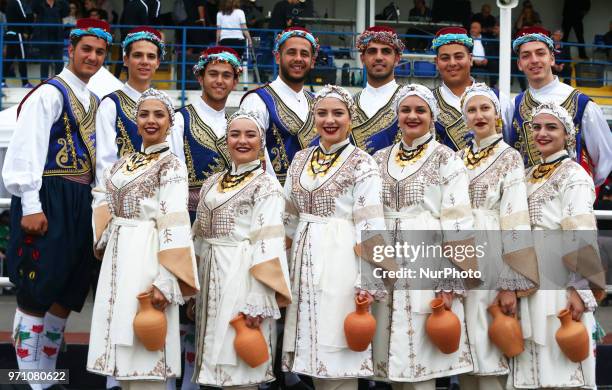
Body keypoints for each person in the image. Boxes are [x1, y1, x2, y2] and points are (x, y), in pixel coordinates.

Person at [2, 18, 111, 390]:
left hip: (81, 200)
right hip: (48, 194)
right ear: (71, 49)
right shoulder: (50, 92)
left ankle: (47, 376)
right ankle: (30, 381)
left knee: (66, 290)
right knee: (37, 290)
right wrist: (31, 204)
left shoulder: (94, 100)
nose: (92, 57)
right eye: (87, 49)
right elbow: (27, 150)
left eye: (99, 52)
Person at [87, 88, 199, 389]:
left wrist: (166, 280)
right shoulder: (123, 164)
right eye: (144, 114)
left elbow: (174, 222)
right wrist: (109, 232)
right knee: (123, 357)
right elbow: (102, 194)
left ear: (170, 122)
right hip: (120, 256)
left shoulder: (172, 165)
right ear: (135, 121)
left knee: (146, 352)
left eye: (159, 114)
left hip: (149, 257)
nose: (151, 120)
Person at [371, 84, 474, 390]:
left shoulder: (447, 159)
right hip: (386, 262)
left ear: (433, 116)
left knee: (422, 363)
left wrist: (450, 280)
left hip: (428, 261)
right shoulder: (377, 159)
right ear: (396, 115)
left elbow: (458, 220)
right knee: (391, 362)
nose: (412, 116)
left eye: (420, 110)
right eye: (406, 110)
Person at [282, 85, 386, 390]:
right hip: (304, 259)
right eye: (322, 113)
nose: (330, 120)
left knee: (337, 353)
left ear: (350, 119)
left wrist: (368, 280)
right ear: (313, 118)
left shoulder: (362, 162)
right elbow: (287, 220)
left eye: (338, 113)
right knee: (311, 352)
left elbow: (370, 223)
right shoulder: (300, 159)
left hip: (342, 261)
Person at [191, 109, 291, 387]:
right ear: (226, 140)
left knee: (239, 364)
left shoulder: (267, 185)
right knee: (212, 362)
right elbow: (199, 233)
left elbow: (269, 242)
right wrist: (193, 286)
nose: (242, 141)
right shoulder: (212, 182)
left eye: (250, 135)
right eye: (235, 134)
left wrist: (259, 299)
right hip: (212, 275)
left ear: (261, 142)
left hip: (244, 277)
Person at [511, 102, 603, 388]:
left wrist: (580, 288)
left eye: (551, 127)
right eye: (536, 127)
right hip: (530, 275)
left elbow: (581, 232)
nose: (542, 133)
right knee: (534, 359)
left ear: (567, 135)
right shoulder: (527, 175)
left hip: (560, 277)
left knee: (561, 354)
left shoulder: (573, 174)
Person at [456, 83, 538, 390]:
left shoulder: (509, 157)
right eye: (472, 110)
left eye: (485, 108)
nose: (479, 115)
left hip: (493, 250)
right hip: (461, 254)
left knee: (491, 340)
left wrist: (509, 283)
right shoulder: (457, 157)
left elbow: (515, 220)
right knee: (465, 347)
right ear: (464, 117)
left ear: (496, 114)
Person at [504, 26, 612, 186]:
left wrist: (581, 190)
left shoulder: (582, 104)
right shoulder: (513, 105)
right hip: (523, 201)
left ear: (552, 58)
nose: (534, 60)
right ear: (519, 64)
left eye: (540, 53)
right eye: (526, 56)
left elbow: (604, 157)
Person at [240, 27, 319, 185]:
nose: (298, 58)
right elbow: (250, 158)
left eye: (304, 54)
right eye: (291, 52)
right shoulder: (257, 100)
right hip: (272, 199)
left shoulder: (318, 102)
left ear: (312, 62)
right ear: (277, 57)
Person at [171, 46, 241, 220]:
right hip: (189, 217)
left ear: (235, 82)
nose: (219, 81)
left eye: (226, 75)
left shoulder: (236, 125)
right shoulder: (179, 121)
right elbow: (172, 181)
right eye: (213, 74)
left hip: (230, 218)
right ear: (200, 78)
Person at [95, 27, 165, 188]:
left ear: (158, 63)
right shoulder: (111, 104)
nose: (145, 61)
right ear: (126, 60)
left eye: (151, 56)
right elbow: (104, 162)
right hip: (121, 197)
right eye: (137, 55)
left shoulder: (164, 104)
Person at [432, 27, 508, 152]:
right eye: (445, 58)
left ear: (470, 59)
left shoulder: (498, 98)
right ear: (436, 62)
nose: (452, 63)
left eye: (458, 56)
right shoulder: (427, 102)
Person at [350, 26, 404, 154]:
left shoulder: (410, 100)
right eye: (372, 51)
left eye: (386, 51)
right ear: (362, 59)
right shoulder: (348, 104)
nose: (379, 57)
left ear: (397, 59)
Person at [32, 0, 69, 80]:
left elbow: (67, 11)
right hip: (44, 37)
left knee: (59, 63)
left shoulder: (60, 4)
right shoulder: (40, 4)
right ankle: (43, 84)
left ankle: (58, 83)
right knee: (44, 63)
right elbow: (34, 7)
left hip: (58, 38)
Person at [3, 0, 32, 87]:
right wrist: (29, 30)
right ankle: (25, 83)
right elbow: (24, 16)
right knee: (22, 58)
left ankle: (2, 82)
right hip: (18, 33)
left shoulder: (9, 3)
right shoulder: (17, 2)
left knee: (9, 58)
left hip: (10, 32)